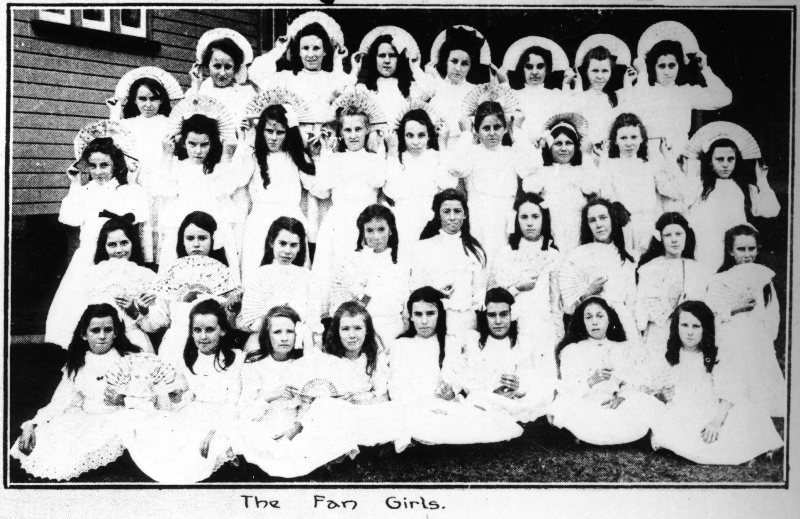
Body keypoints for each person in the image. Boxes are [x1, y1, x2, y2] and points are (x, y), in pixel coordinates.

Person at [11, 304, 140, 480]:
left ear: (116, 333)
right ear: (84, 334)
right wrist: (32, 424)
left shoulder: (129, 360)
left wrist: (124, 400)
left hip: (119, 419)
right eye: (95, 330)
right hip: (87, 417)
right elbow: (60, 401)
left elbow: (148, 398)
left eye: (108, 330)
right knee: (49, 437)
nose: (102, 336)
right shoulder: (78, 364)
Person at [45, 131, 149, 348]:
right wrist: (75, 184)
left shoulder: (126, 191)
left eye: (104, 165)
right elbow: (70, 218)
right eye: (93, 166)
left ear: (115, 165)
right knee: (75, 304)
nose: (99, 171)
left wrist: (133, 182)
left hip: (116, 256)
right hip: (88, 258)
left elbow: (138, 217)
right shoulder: (84, 192)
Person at [122, 299, 242, 483]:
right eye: (197, 330)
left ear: (223, 330)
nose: (203, 336)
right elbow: (188, 396)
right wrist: (178, 398)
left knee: (207, 446)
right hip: (193, 414)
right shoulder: (188, 359)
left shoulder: (236, 359)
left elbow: (235, 403)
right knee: (160, 435)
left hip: (223, 417)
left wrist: (216, 430)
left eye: (210, 330)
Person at [650, 301, 783, 464]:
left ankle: (750, 445)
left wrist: (716, 421)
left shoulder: (714, 354)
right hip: (682, 412)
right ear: (676, 326)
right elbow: (658, 389)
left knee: (747, 410)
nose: (689, 332)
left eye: (696, 326)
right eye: (684, 325)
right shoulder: (669, 355)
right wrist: (662, 396)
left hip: (712, 410)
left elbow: (729, 390)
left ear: (705, 328)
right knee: (668, 427)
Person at [234, 305, 360, 478]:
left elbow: (307, 406)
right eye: (277, 332)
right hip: (263, 430)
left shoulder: (302, 364)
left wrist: (294, 430)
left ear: (297, 334)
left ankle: (292, 456)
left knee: (326, 407)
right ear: (267, 335)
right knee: (245, 429)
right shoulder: (254, 367)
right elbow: (245, 412)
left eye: (290, 332)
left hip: (295, 429)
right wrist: (270, 397)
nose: (284, 338)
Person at [389, 287, 523, 447]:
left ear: (439, 314)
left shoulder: (450, 342)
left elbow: (455, 378)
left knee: (477, 421)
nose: (424, 321)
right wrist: (421, 405)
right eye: (418, 314)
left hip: (443, 404)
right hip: (413, 405)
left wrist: (450, 393)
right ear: (411, 316)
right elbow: (397, 388)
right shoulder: (401, 345)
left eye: (430, 313)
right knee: (416, 421)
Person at [310, 92, 387, 319]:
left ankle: (363, 316)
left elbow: (378, 181)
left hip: (365, 222)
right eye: (348, 130)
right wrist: (325, 153)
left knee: (363, 271)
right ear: (341, 133)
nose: (353, 135)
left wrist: (379, 148)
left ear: (367, 130)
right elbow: (322, 188)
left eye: (358, 129)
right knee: (335, 270)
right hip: (339, 222)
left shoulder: (373, 158)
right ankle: (335, 318)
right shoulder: (335, 158)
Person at [549, 297, 661, 445]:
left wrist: (621, 398)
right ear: (582, 321)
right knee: (567, 403)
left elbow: (631, 383)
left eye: (600, 316)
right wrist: (591, 381)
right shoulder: (572, 350)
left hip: (614, 408)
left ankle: (599, 434)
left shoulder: (622, 348)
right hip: (586, 408)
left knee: (643, 399)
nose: (594, 322)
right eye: (588, 317)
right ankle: (587, 433)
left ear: (609, 319)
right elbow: (568, 389)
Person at [154, 105, 246, 275]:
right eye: (192, 144)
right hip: (183, 223)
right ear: (183, 142)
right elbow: (162, 188)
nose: (198, 151)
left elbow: (225, 187)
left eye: (204, 145)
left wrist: (226, 156)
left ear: (212, 143)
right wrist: (167, 154)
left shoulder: (218, 168)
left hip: (214, 222)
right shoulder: (177, 166)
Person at [705, 225, 785, 417]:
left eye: (752, 248)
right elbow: (712, 313)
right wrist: (736, 308)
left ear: (758, 249)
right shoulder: (719, 280)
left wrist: (766, 336)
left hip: (757, 336)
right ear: (731, 251)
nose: (747, 254)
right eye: (741, 249)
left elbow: (772, 312)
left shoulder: (764, 279)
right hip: (731, 337)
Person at [108, 67, 183, 262]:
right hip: (138, 182)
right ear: (134, 100)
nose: (148, 104)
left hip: (163, 180)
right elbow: (116, 144)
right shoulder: (128, 125)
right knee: (141, 226)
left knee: (163, 227)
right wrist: (115, 113)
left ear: (162, 100)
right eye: (142, 99)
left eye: (153, 99)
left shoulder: (170, 124)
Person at [448, 288, 553, 423]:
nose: (498, 321)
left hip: (509, 405)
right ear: (485, 316)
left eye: (503, 314)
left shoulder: (521, 343)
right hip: (480, 402)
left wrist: (517, 386)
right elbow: (467, 382)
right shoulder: (474, 341)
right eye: (492, 315)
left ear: (511, 315)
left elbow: (527, 378)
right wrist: (493, 392)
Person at [448, 99, 535, 262]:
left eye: (497, 127)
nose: (492, 133)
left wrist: (517, 129)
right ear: (477, 130)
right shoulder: (472, 153)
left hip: (505, 217)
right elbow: (456, 168)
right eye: (486, 128)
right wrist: (466, 133)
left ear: (505, 128)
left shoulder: (511, 152)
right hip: (478, 217)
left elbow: (531, 166)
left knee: (504, 259)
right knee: (480, 259)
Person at [238, 100, 315, 283]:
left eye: (280, 132)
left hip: (290, 222)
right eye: (269, 131)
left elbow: (315, 186)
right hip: (260, 222)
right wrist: (243, 143)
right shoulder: (254, 156)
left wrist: (316, 156)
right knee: (258, 272)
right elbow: (238, 179)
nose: (273, 137)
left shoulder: (297, 157)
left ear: (288, 133)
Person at [489, 192, 562, 384]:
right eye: (524, 217)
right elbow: (493, 297)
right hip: (515, 328)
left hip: (544, 329)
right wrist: (517, 288)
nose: (529, 223)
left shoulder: (553, 255)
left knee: (544, 383)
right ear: (516, 220)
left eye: (535, 216)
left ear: (544, 219)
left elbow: (556, 303)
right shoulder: (505, 254)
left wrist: (558, 336)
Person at [150, 212, 241, 366]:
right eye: (190, 238)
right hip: (175, 345)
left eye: (202, 238)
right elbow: (160, 320)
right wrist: (143, 311)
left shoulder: (223, 275)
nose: (196, 244)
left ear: (212, 240)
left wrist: (233, 308)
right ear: (182, 241)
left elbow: (231, 324)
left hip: (211, 345)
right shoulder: (171, 274)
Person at [599, 113, 691, 258]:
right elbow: (606, 196)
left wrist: (667, 156)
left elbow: (677, 191)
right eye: (623, 138)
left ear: (642, 138)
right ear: (615, 140)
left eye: (634, 137)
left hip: (649, 226)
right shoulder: (610, 165)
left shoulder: (649, 165)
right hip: (623, 228)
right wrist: (603, 158)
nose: (629, 143)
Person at [685, 136, 780, 274]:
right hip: (708, 250)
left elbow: (772, 210)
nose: (725, 164)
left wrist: (762, 180)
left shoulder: (744, 188)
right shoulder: (699, 187)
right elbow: (686, 213)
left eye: (730, 159)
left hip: (737, 251)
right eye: (719, 159)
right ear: (710, 161)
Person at [629, 33, 732, 157]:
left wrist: (705, 69)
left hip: (680, 153)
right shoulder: (645, 90)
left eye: (672, 66)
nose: (667, 72)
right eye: (662, 66)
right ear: (653, 67)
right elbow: (635, 107)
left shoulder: (686, 93)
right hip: (652, 155)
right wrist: (642, 74)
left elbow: (724, 98)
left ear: (678, 66)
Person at [410, 189, 487, 346]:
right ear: (438, 215)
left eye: (457, 211)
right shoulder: (423, 247)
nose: (452, 217)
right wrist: (435, 293)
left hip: (466, 321)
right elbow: (416, 288)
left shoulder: (475, 251)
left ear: (465, 214)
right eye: (446, 211)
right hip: (433, 320)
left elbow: (480, 292)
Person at [322, 301, 404, 448]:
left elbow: (383, 396)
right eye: (345, 329)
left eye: (358, 328)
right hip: (344, 413)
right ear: (337, 331)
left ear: (367, 330)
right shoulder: (329, 360)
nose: (352, 335)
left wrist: (360, 403)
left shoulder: (374, 358)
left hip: (369, 409)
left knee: (393, 412)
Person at [635, 212, 708, 373]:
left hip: (688, 333)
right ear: (660, 238)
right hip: (660, 332)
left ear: (686, 236)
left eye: (678, 234)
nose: (674, 239)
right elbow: (641, 313)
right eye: (668, 235)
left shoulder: (696, 268)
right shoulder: (649, 268)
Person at [559, 198, 638, 343]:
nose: (599, 224)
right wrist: (588, 293)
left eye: (603, 218)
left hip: (623, 323)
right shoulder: (578, 255)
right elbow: (568, 307)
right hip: (591, 325)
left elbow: (632, 302)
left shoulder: (626, 259)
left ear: (612, 219)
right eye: (592, 220)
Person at [522, 113, 603, 253]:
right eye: (558, 143)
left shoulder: (580, 170)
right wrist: (539, 150)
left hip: (576, 228)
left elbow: (592, 187)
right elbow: (529, 187)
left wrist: (586, 155)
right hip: (550, 229)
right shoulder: (544, 170)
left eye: (569, 143)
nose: (563, 148)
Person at [329, 205, 410, 344]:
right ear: (363, 232)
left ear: (390, 230)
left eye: (381, 229)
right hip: (362, 332)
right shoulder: (353, 262)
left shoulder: (402, 263)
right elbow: (344, 303)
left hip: (395, 330)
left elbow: (406, 304)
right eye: (370, 230)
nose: (376, 236)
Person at [82, 217, 163, 353]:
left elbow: (155, 327)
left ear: (133, 243)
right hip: (101, 343)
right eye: (112, 245)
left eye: (124, 243)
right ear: (104, 247)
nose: (119, 250)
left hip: (135, 342)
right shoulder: (92, 276)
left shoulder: (147, 276)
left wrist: (136, 311)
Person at [249, 13, 349, 122]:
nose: (310, 55)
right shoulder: (287, 78)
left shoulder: (331, 79)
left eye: (316, 48)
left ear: (324, 51)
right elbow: (256, 75)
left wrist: (338, 58)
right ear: (299, 52)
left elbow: (343, 89)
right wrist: (278, 50)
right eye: (305, 48)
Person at [383, 103, 456, 249]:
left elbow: (448, 184)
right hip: (404, 218)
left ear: (429, 135)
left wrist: (443, 144)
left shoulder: (435, 156)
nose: (415, 142)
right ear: (402, 136)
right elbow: (391, 191)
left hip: (431, 217)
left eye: (421, 135)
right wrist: (392, 151)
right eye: (410, 136)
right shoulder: (398, 157)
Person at [238, 217, 317, 350]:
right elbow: (250, 320)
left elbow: (313, 317)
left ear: (300, 247)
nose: (287, 251)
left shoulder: (307, 276)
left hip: (298, 341)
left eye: (293, 245)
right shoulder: (259, 275)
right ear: (271, 242)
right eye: (282, 243)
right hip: (264, 341)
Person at [425, 25, 492, 145]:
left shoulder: (475, 91)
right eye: (454, 61)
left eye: (464, 64)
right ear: (446, 61)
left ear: (470, 67)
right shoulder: (434, 87)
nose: (458, 68)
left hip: (467, 147)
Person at [501, 37, 571, 144]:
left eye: (540, 66)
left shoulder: (555, 95)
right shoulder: (513, 95)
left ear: (547, 69)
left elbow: (567, 117)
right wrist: (503, 84)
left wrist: (566, 84)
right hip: (520, 147)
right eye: (529, 67)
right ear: (523, 69)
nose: (534, 72)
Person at [354, 28, 426, 121]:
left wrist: (415, 67)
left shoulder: (409, 88)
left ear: (399, 59)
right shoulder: (364, 89)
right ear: (374, 59)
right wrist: (356, 68)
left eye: (392, 56)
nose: (387, 61)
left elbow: (427, 92)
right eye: (382, 55)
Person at [187, 28, 257, 124]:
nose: (222, 73)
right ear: (207, 66)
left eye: (228, 67)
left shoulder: (244, 95)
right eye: (217, 66)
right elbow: (187, 116)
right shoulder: (201, 90)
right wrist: (196, 85)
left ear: (235, 68)